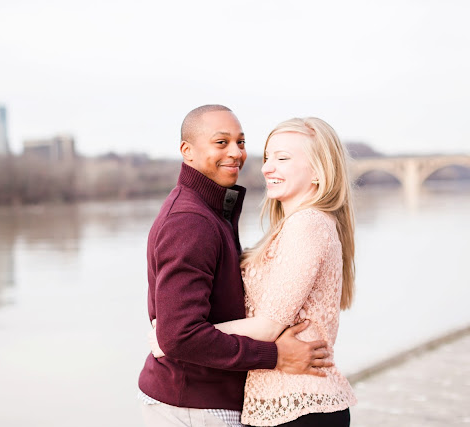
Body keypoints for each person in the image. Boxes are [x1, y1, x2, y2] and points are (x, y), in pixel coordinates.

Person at [150, 117, 357, 426]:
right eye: (267, 157)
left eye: (282, 158)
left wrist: (169, 339)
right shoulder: (288, 227)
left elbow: (267, 326)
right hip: (282, 406)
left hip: (300, 406)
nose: (266, 168)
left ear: (318, 170)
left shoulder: (307, 225)